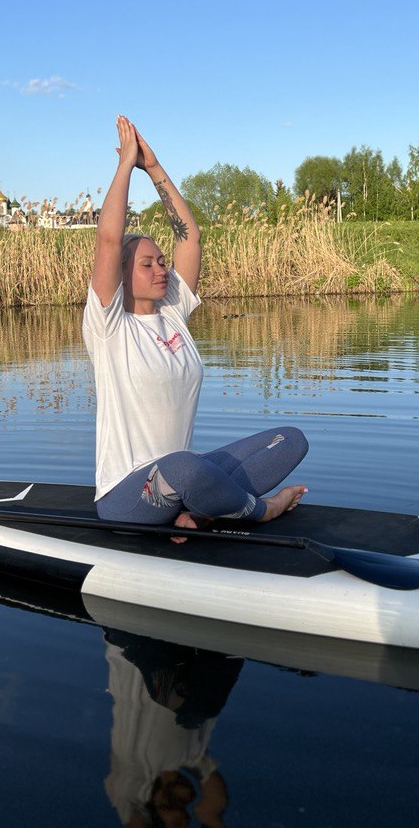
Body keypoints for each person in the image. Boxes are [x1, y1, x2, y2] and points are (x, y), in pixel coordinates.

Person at [83, 115, 308, 536]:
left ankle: (201, 512)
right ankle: (262, 510)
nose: (161, 269)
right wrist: (125, 164)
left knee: (289, 439)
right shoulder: (109, 326)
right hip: (129, 497)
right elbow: (109, 240)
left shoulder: (172, 312)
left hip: (183, 480)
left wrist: (154, 168)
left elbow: (189, 237)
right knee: (185, 467)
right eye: (147, 264)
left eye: (162, 261)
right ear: (121, 274)